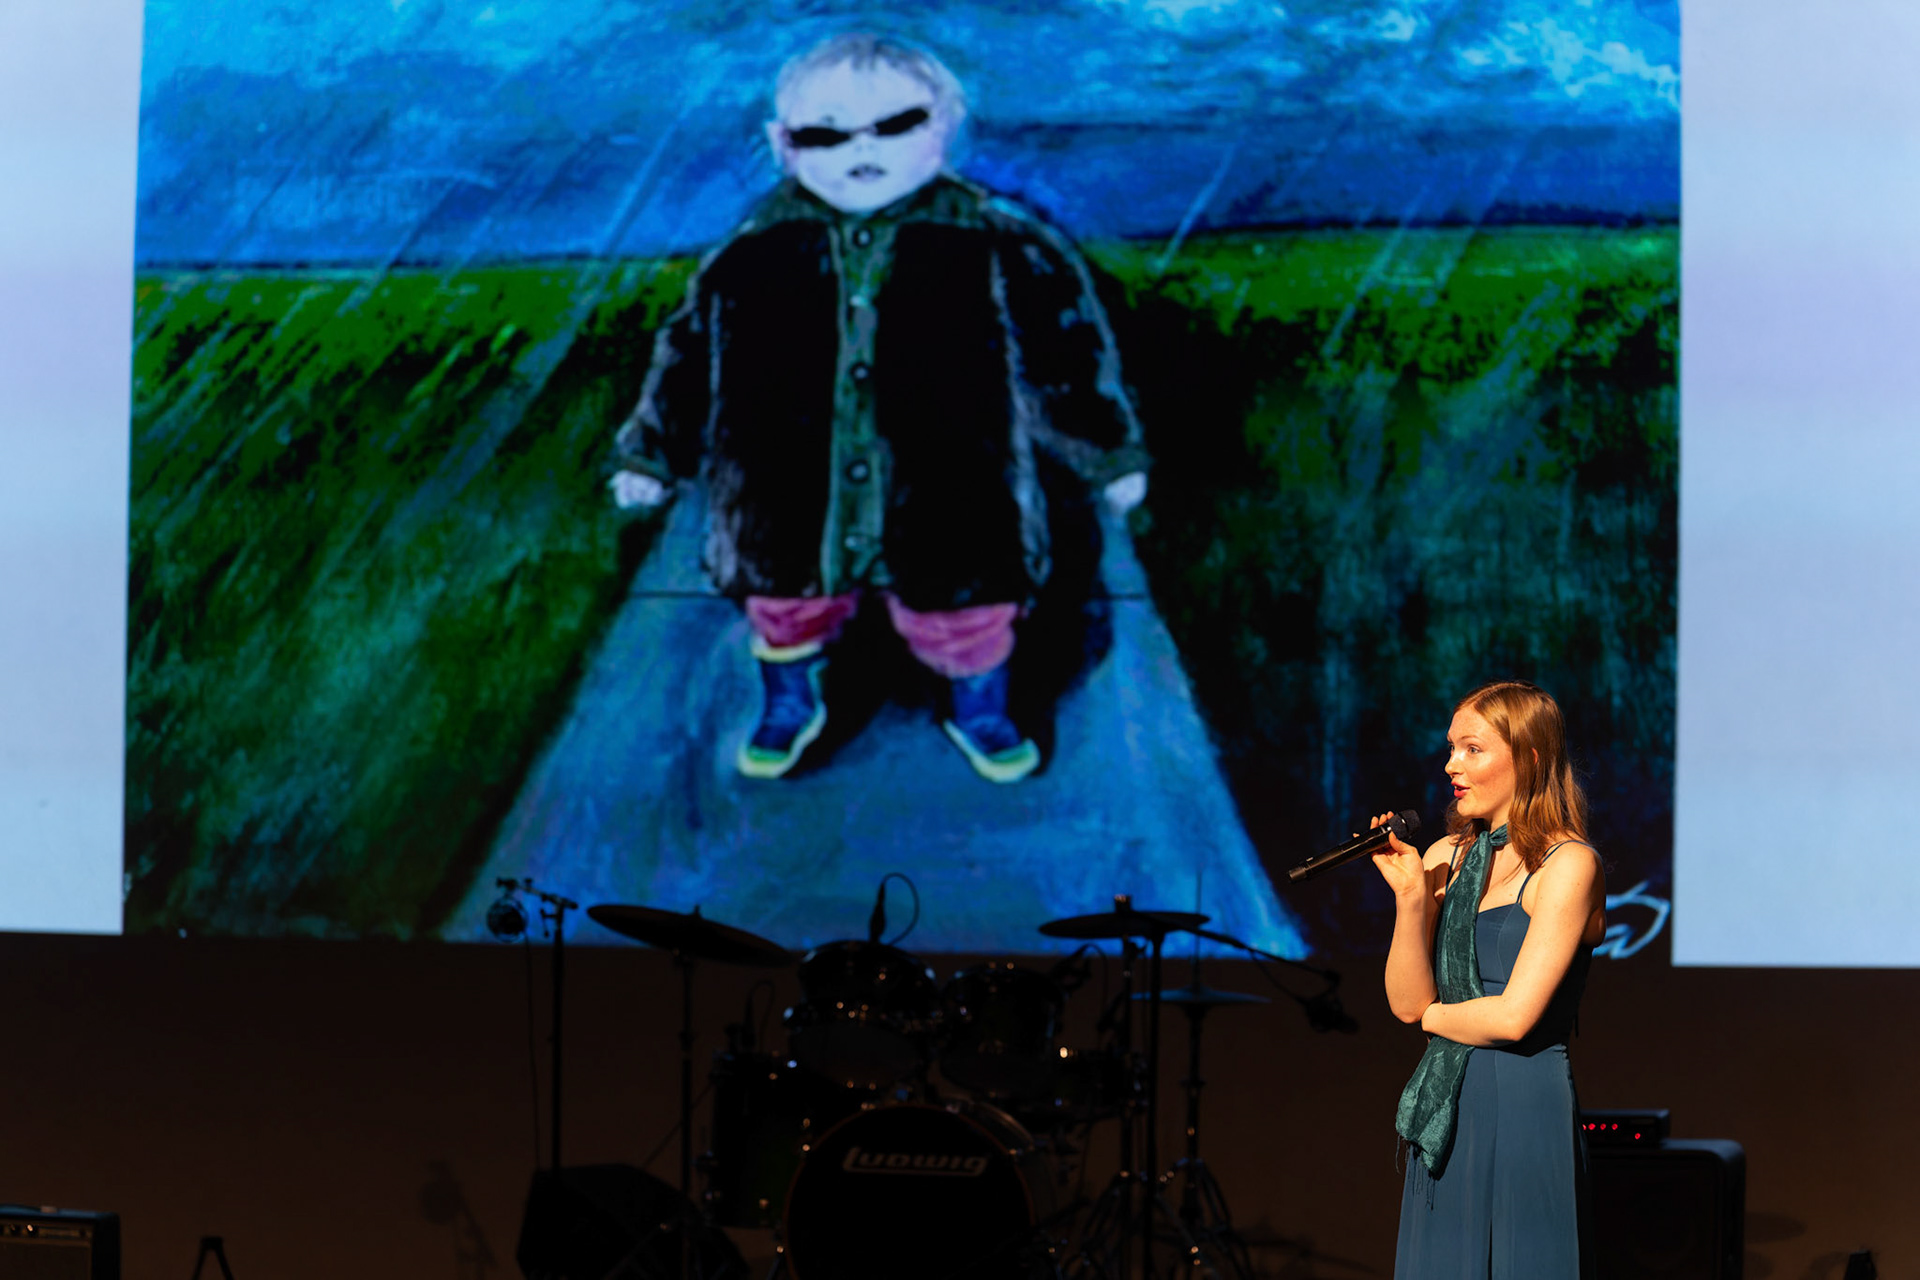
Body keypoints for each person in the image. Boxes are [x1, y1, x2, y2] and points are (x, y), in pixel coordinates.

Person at [608, 33, 1150, 784]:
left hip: (950, 485)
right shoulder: (751, 252)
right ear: (783, 146)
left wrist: (1107, 451)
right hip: (785, 489)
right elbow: (687, 360)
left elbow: (1066, 357)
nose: (861, 150)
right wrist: (651, 452)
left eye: (895, 126)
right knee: (786, 607)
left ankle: (980, 707)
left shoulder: (1001, 243)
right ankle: (789, 700)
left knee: (966, 616)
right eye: (826, 135)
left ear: (946, 127)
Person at [1370, 679, 1606, 1278]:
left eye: (1472, 749)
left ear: (1529, 757)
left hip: (1525, 1103)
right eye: (1451, 748)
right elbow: (1404, 1002)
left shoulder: (1568, 864)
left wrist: (1433, 1019)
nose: (1453, 764)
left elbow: (1514, 1017)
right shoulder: (1443, 856)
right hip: (1450, 1106)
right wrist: (1410, 900)